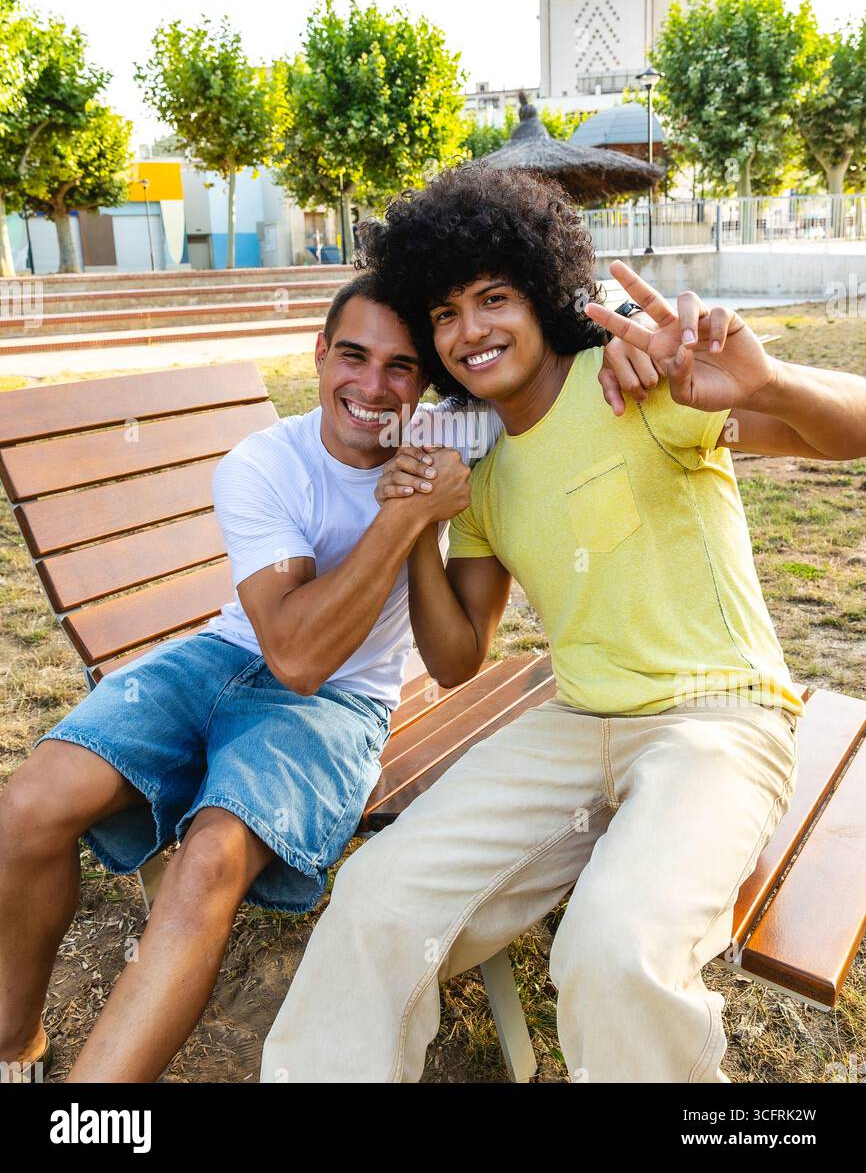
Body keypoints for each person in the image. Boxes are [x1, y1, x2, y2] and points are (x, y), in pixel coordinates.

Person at [261, 163, 866, 1084]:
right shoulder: (487, 466)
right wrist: (421, 524)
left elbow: (852, 432)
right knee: (375, 893)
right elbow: (459, 657)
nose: (470, 332)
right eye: (445, 314)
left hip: (719, 721)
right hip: (578, 722)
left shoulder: (635, 384)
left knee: (614, 950)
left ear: (542, 295)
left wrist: (770, 381)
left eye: (493, 298)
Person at [0, 268, 647, 1084]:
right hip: (224, 655)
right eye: (353, 357)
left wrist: (623, 336)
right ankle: (13, 1044)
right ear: (318, 356)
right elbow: (292, 653)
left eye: (401, 368)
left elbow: (565, 337)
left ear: (430, 382)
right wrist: (406, 511)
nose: (372, 387)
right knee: (26, 805)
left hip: (344, 704)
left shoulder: (463, 435)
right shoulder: (262, 463)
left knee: (211, 858)